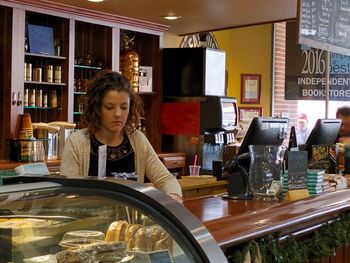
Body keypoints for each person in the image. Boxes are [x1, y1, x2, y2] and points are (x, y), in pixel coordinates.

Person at [60, 71, 182, 203]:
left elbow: (166, 179)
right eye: (110, 107)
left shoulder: (137, 140)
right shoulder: (77, 142)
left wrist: (174, 196)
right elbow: (68, 193)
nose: (118, 114)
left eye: (124, 107)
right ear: (97, 108)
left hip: (129, 221)